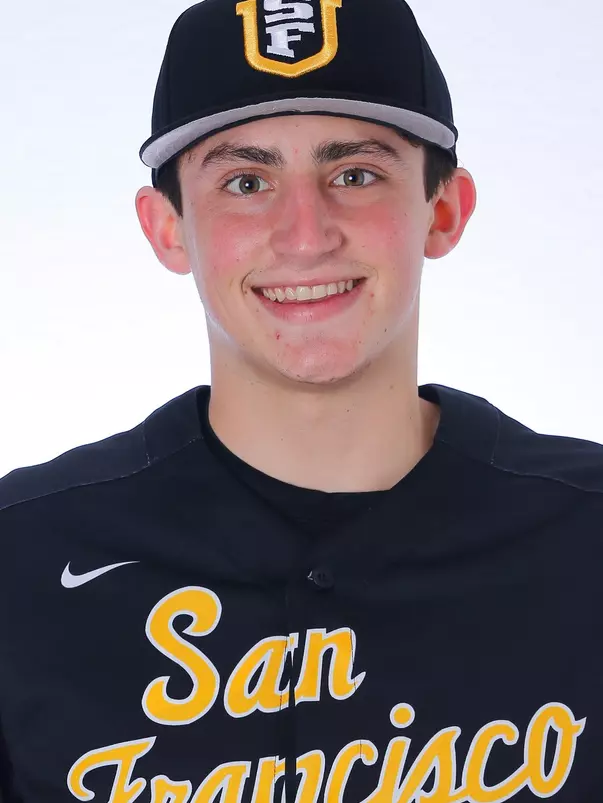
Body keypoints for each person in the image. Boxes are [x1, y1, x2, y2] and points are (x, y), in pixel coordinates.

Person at [0, 0, 601, 800]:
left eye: (354, 174)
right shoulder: (23, 556)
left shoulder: (585, 537)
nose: (305, 235)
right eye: (246, 182)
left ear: (443, 210)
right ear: (168, 229)